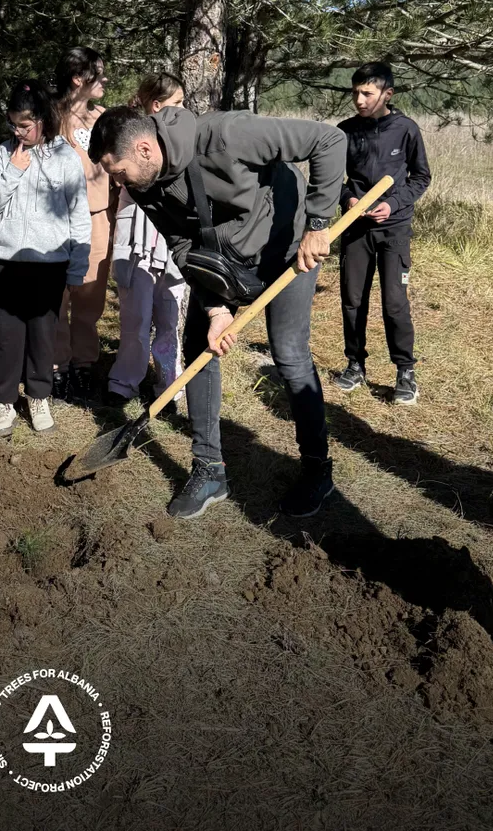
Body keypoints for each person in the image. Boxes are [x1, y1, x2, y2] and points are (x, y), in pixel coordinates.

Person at [88, 103, 347, 519]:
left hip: (288, 248)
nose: (116, 183)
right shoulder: (142, 184)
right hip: (225, 263)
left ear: (143, 149)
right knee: (199, 346)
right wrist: (215, 309)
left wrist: (318, 225)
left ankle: (318, 469)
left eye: (116, 171)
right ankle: (209, 469)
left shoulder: (227, 135)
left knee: (290, 355)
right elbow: (182, 244)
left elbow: (328, 140)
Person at [0, 79, 91, 439]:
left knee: (43, 335)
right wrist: (14, 169)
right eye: (13, 124)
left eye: (25, 125)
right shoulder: (3, 153)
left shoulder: (66, 158)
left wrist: (77, 267)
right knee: (6, 336)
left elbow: (79, 215)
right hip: (8, 261)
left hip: (50, 263)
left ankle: (39, 396)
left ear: (43, 119)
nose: (18, 131)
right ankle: (4, 402)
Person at [333, 62, 431, 405]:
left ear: (387, 94)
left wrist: (393, 204)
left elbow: (421, 178)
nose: (359, 100)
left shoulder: (405, 129)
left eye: (367, 93)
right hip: (356, 229)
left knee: (394, 303)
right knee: (353, 299)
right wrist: (349, 199)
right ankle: (354, 364)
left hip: (394, 228)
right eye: (355, 93)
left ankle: (405, 371)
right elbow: (333, 182)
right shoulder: (344, 131)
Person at [107, 74, 188, 407]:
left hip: (171, 240)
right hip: (138, 239)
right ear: (157, 105)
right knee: (136, 317)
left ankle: (168, 382)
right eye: (178, 103)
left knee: (169, 318)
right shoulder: (133, 138)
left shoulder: (182, 140)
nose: (184, 110)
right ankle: (125, 380)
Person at [52, 47, 112, 403]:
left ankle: (84, 364)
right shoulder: (49, 118)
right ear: (79, 79)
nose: (104, 80)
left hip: (98, 218)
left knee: (90, 296)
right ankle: (56, 366)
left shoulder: (102, 119)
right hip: (57, 220)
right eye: (98, 73)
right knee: (57, 298)